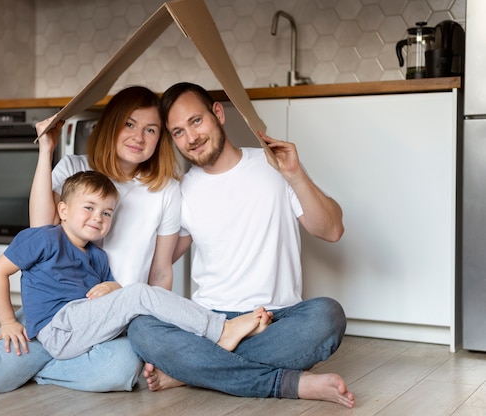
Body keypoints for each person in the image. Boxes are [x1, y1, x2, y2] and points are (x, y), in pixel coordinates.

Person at [0, 86, 183, 395]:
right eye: (129, 124)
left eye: (151, 129)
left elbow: (160, 272)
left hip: (111, 321)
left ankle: (23, 368)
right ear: (111, 124)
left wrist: (153, 331)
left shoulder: (166, 190)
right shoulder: (75, 168)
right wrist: (46, 150)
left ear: (160, 138)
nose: (139, 137)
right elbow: (41, 228)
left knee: (118, 372)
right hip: (52, 312)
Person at [126, 82, 355, 409]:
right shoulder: (181, 190)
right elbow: (157, 263)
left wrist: (296, 175)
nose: (190, 138)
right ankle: (284, 382)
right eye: (177, 132)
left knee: (328, 316)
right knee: (141, 329)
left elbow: (332, 230)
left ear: (218, 114)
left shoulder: (272, 166)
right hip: (209, 321)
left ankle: (193, 370)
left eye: (196, 121)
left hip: (275, 320)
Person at [0, 170, 271, 360]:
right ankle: (222, 330)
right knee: (138, 294)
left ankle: (202, 347)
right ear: (63, 210)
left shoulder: (98, 257)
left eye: (106, 212)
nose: (97, 217)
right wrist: (7, 322)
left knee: (145, 316)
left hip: (84, 323)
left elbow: (110, 294)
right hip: (58, 329)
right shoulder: (43, 238)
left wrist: (113, 287)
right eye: (88, 207)